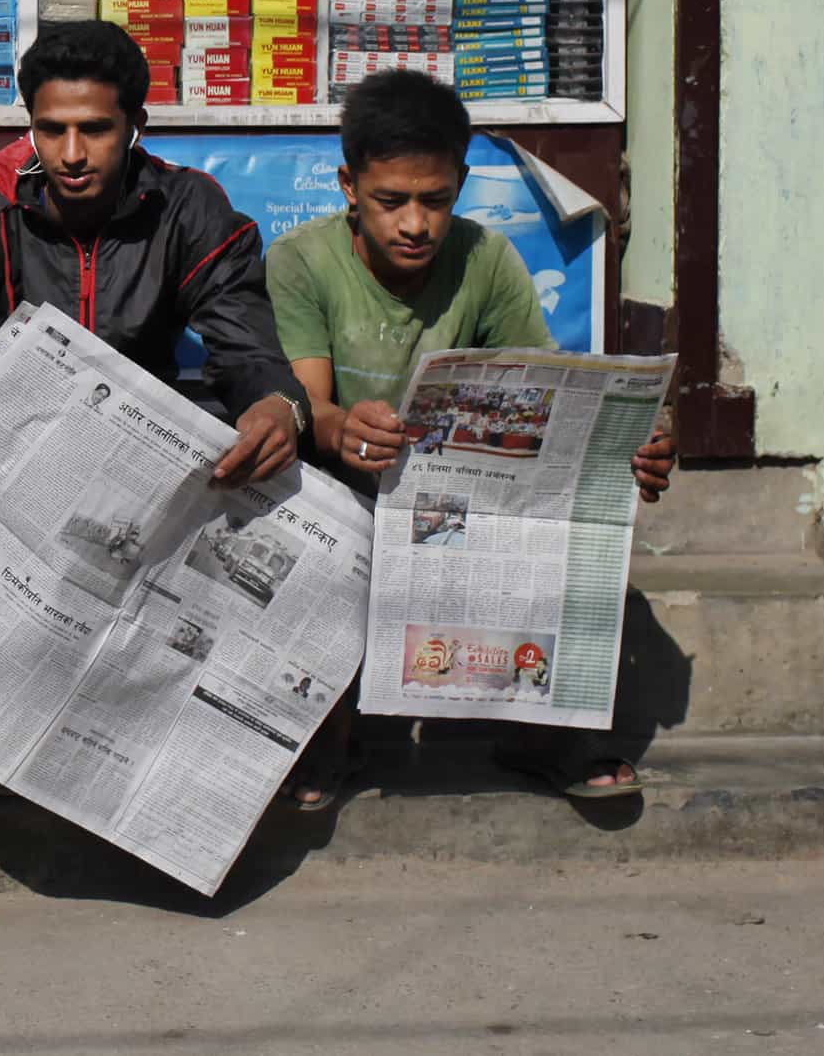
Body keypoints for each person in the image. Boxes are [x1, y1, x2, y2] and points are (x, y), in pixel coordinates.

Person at [267, 66, 674, 804]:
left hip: (458, 493)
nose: (415, 224)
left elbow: (545, 402)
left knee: (561, 521)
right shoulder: (302, 260)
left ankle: (542, 733)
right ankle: (327, 737)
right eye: (391, 201)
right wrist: (337, 428)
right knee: (314, 518)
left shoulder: (487, 259)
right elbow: (308, 405)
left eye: (435, 200)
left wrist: (625, 451)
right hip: (349, 482)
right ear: (348, 186)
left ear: (460, 182)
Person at [0, 21, 306, 487]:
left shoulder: (186, 207)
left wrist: (279, 404)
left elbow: (243, 342)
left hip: (142, 460)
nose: (72, 154)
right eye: (52, 130)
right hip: (7, 455)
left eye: (94, 129)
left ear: (135, 127)